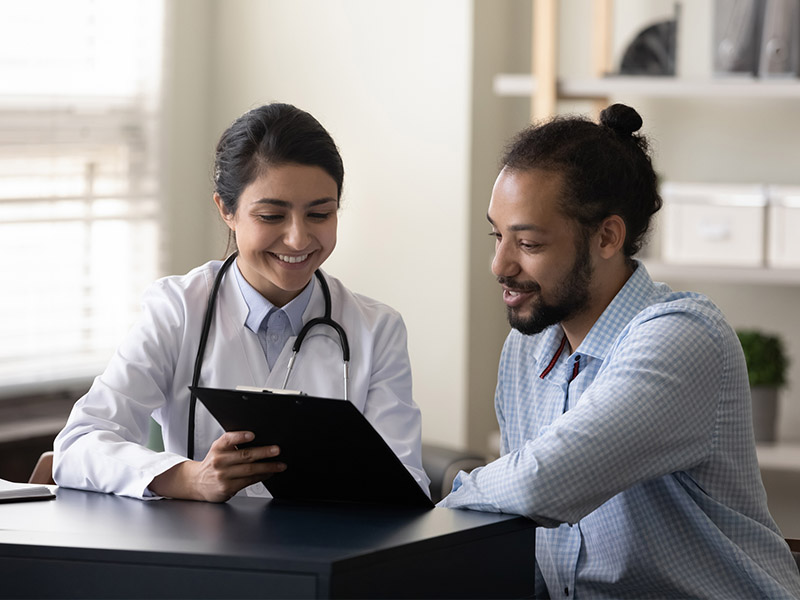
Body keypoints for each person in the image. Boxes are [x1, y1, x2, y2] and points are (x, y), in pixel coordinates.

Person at [438, 104, 800, 598]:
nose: (499, 264)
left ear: (607, 236)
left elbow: (542, 484)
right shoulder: (528, 349)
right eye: (497, 236)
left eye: (528, 243)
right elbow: (534, 539)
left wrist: (450, 496)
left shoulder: (682, 338)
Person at [54, 103, 430, 503]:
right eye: (271, 216)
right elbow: (78, 445)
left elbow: (408, 484)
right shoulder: (177, 310)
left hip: (324, 557)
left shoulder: (376, 330)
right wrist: (189, 478)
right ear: (227, 210)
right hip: (202, 557)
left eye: (320, 214)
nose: (299, 239)